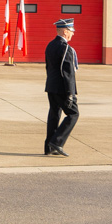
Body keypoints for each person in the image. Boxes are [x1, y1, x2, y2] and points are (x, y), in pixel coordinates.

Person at [44, 18, 79, 157]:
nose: (72, 34)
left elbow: (49, 67)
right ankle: (57, 142)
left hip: (51, 86)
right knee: (73, 114)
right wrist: (70, 93)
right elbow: (68, 73)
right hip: (62, 88)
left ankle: (48, 147)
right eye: (71, 31)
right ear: (65, 32)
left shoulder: (50, 45)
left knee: (54, 115)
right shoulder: (65, 48)